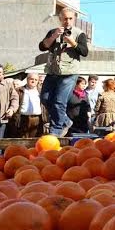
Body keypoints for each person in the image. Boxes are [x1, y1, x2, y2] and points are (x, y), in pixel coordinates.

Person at [38, 8, 89, 136]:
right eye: (65, 18)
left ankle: (55, 131)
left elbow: (84, 51)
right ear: (60, 19)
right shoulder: (53, 32)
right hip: (53, 71)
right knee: (44, 98)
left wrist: (72, 42)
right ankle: (65, 121)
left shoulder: (79, 33)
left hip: (69, 73)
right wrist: (54, 36)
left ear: (74, 19)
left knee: (59, 102)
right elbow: (42, 47)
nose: (67, 21)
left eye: (70, 18)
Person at [10, 73, 47, 138]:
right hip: (23, 119)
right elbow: (14, 102)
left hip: (37, 119)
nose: (33, 81)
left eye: (36, 80)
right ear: (27, 79)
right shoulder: (19, 90)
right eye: (31, 79)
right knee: (23, 140)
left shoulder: (41, 91)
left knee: (35, 140)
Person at [0, 64, 19, 138]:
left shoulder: (7, 84)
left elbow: (15, 98)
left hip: (2, 116)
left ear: (3, 74)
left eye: (0, 72)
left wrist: (12, 109)